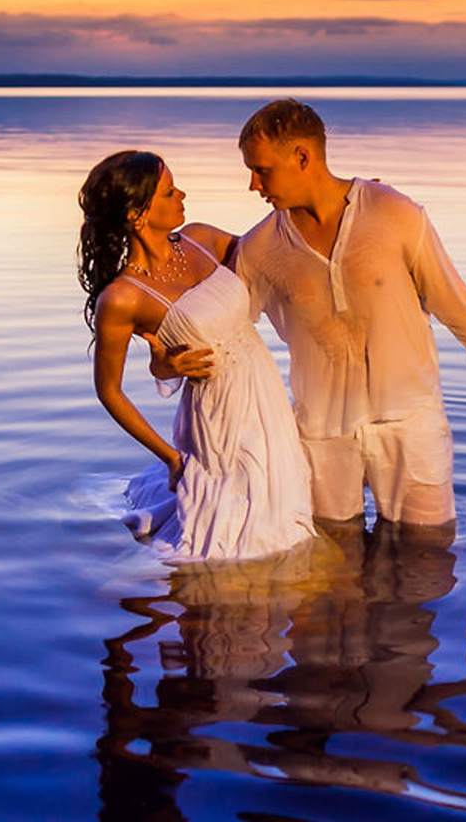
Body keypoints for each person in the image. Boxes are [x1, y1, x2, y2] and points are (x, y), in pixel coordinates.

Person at [158, 99, 466, 529]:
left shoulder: (394, 212)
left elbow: (455, 301)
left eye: (262, 170)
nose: (253, 185)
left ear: (302, 157)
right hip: (320, 436)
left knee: (426, 564)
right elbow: (223, 331)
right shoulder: (259, 249)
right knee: (332, 571)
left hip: (412, 425)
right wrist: (163, 364)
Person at [79, 149, 318, 562]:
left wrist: (355, 208)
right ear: (137, 215)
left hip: (266, 398)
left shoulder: (203, 239)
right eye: (170, 192)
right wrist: (170, 457)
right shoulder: (121, 299)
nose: (183, 195)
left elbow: (282, 251)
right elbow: (109, 392)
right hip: (216, 418)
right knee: (233, 543)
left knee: (284, 517)